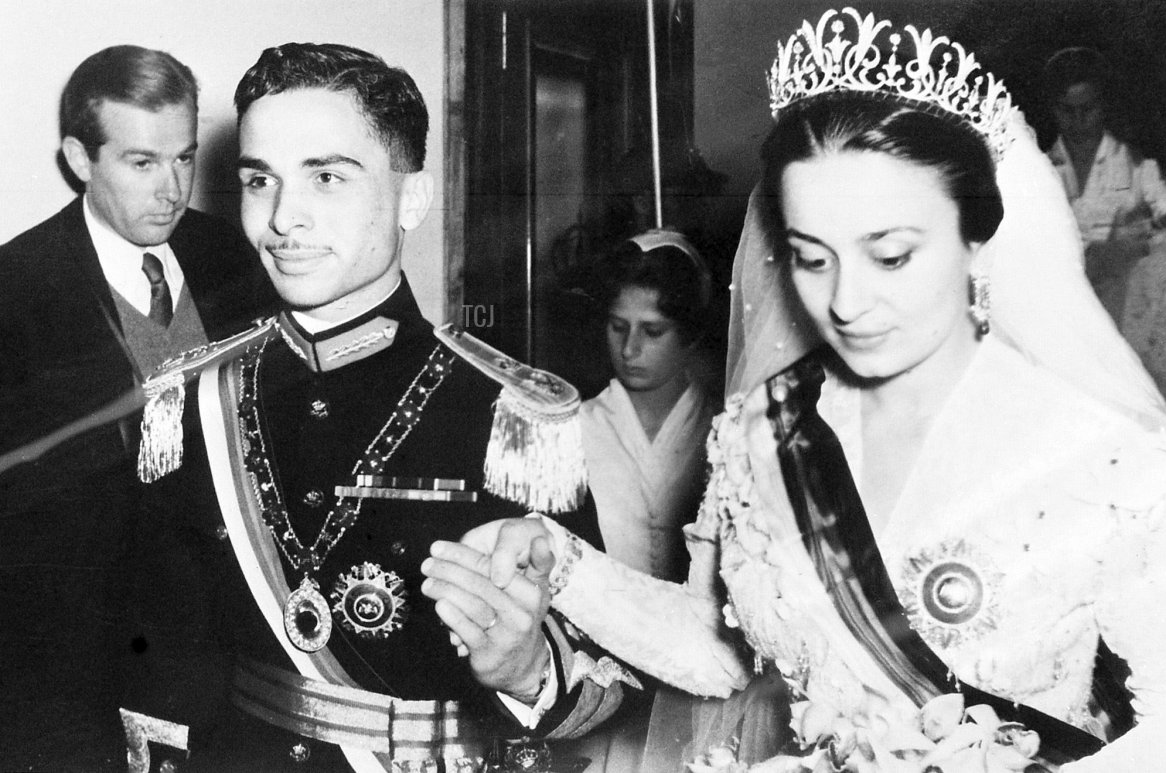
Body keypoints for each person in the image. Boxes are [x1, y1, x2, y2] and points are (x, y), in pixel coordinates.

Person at [431, 9, 1166, 772]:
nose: (845, 302)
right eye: (810, 256)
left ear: (977, 237)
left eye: (891, 255)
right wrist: (562, 563)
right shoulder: (760, 431)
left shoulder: (1104, 458)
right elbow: (723, 649)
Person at [119, 42, 633, 773]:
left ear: (412, 198)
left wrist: (526, 670)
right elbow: (160, 654)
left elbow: (606, 685)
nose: (282, 218)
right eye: (259, 180)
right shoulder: (193, 397)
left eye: (326, 177)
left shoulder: (510, 413)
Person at [0, 45, 271, 771]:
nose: (173, 189)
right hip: (75, 680)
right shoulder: (15, 290)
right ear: (78, 158)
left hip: (236, 663)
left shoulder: (233, 256)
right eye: (142, 163)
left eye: (183, 158)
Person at [1043, 46, 1166, 451]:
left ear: (1103, 106)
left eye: (1088, 109)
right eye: (1067, 110)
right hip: (1067, 298)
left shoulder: (1134, 162)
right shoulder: (1041, 169)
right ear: (1053, 109)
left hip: (1127, 300)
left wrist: (1135, 237)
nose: (1079, 121)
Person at [583, 229, 718, 582]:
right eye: (618, 327)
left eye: (653, 331)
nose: (629, 349)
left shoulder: (721, 428)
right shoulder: (577, 427)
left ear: (689, 335)